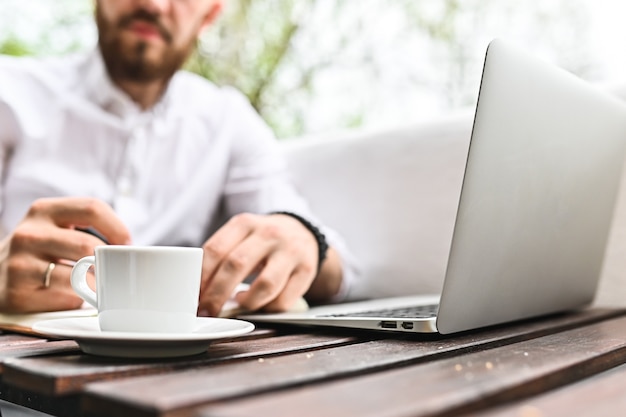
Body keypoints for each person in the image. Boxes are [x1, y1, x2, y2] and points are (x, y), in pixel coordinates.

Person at [0, 0, 358, 317]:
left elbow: (341, 273)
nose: (154, 4)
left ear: (209, 16)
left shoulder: (229, 120)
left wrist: (302, 239)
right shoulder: (10, 92)